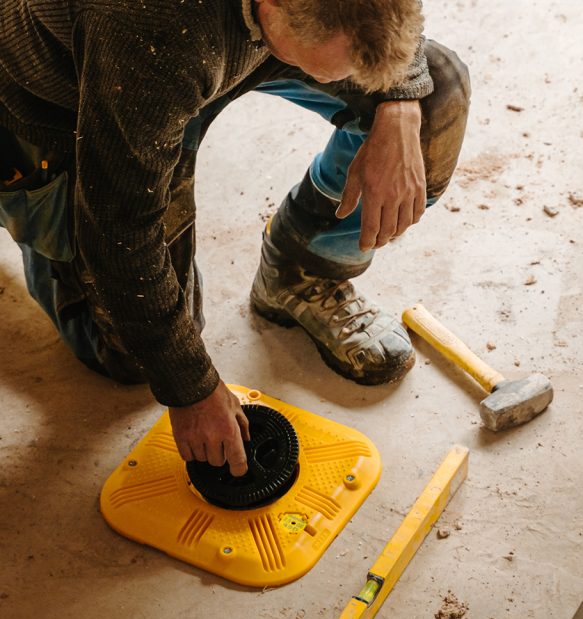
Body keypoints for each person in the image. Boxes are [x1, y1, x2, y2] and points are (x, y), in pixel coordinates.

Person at [0, 0, 470, 477]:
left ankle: (301, 269)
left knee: (436, 93)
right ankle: (34, 216)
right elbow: (118, 231)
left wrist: (401, 102)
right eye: (326, 68)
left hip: (215, 51)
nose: (334, 82)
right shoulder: (149, 24)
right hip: (67, 96)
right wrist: (191, 389)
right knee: (133, 353)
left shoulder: (280, 27)